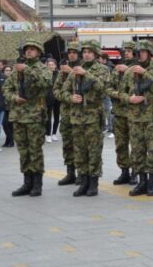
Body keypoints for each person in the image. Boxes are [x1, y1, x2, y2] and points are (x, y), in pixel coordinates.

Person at [60, 40, 109, 197]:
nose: (86, 54)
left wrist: (86, 74)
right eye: (85, 52)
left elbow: (103, 88)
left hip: (93, 117)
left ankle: (93, 183)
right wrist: (70, 97)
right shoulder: (75, 71)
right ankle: (83, 181)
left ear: (95, 54)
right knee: (80, 151)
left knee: (94, 151)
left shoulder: (102, 69)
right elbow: (63, 91)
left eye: (90, 52)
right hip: (76, 117)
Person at [2, 39, 52, 197]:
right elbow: (6, 88)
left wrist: (27, 71)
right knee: (23, 150)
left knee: (35, 150)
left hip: (35, 116)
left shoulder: (42, 69)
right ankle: (27, 182)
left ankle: (37, 184)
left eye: (32, 49)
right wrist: (14, 98)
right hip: (18, 115)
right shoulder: (17, 70)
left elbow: (45, 83)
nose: (29, 51)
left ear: (38, 52)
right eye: (27, 49)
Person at [119, 40, 153, 196]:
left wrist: (145, 74)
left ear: (150, 54)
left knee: (152, 150)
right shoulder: (130, 71)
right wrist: (128, 99)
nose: (141, 54)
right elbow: (120, 92)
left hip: (151, 117)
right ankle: (141, 182)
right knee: (137, 151)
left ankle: (151, 183)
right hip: (135, 117)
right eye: (139, 51)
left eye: (144, 51)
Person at [107, 41, 138, 185]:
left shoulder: (138, 68)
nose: (126, 53)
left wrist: (129, 71)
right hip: (119, 113)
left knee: (135, 144)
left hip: (133, 113)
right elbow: (108, 88)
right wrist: (117, 94)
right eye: (125, 50)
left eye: (129, 51)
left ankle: (135, 173)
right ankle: (124, 171)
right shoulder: (116, 69)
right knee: (121, 144)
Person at [53, 42, 81, 186]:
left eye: (74, 52)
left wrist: (71, 72)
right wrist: (67, 97)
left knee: (81, 145)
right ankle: (71, 173)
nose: (71, 54)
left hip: (82, 115)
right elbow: (56, 90)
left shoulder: (82, 68)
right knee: (68, 144)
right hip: (67, 113)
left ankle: (82, 174)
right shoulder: (62, 71)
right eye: (69, 52)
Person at [45, 58, 60, 143]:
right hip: (48, 98)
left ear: (55, 65)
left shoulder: (58, 74)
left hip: (57, 98)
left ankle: (54, 133)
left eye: (52, 65)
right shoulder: (45, 74)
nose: (51, 66)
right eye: (49, 65)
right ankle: (48, 134)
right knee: (48, 117)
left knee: (57, 116)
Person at [1, 65, 14, 148]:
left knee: (10, 124)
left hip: (12, 105)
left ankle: (10, 140)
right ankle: (9, 139)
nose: (8, 72)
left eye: (9, 70)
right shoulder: (1, 79)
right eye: (6, 70)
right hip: (3, 105)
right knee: (4, 123)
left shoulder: (14, 80)